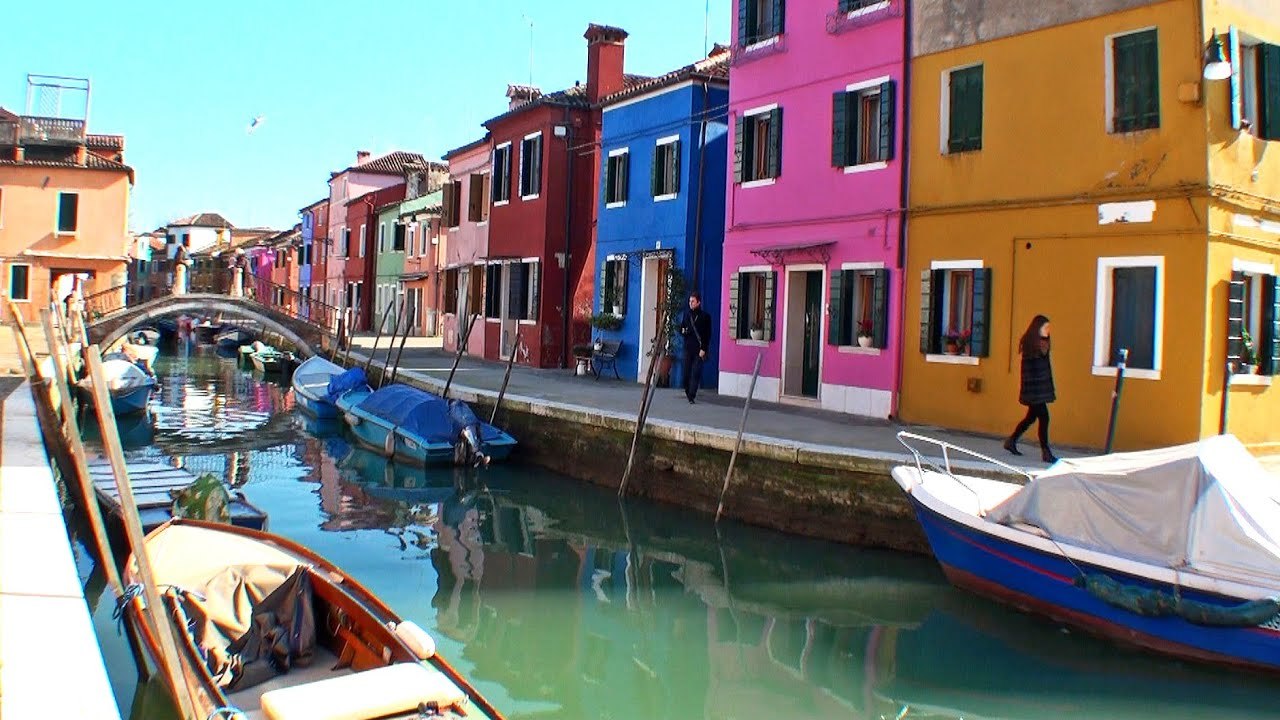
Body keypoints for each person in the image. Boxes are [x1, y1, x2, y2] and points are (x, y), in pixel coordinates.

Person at [1004, 314, 1058, 464]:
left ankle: (1011, 440)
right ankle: (1046, 452)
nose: (1048, 330)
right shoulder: (1031, 344)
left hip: (1037, 390)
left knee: (1031, 418)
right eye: (1045, 327)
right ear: (1038, 328)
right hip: (1034, 390)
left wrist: (1046, 339)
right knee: (1044, 418)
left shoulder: (1040, 342)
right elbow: (1031, 370)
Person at [678, 291, 712, 404]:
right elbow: (682, 328)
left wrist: (704, 348)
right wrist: (683, 331)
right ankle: (688, 391)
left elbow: (707, 334)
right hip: (688, 348)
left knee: (696, 372)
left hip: (699, 349)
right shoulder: (687, 315)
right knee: (686, 373)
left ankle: (692, 395)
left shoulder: (705, 317)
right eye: (689, 301)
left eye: (693, 301)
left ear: (698, 302)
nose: (690, 303)